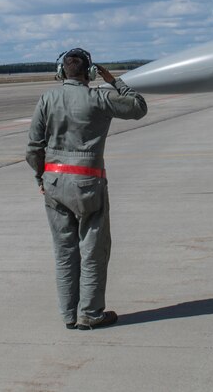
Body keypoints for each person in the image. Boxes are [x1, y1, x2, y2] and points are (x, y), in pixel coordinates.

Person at [26, 48, 148, 330]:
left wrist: (40, 179)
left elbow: (33, 148)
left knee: (64, 251)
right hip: (88, 183)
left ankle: (68, 315)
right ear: (90, 73)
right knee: (93, 249)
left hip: (54, 183)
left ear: (60, 73)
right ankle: (90, 314)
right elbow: (138, 107)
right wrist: (116, 82)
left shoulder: (47, 98)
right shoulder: (99, 97)